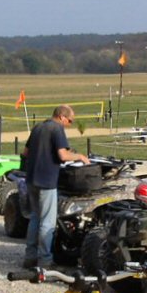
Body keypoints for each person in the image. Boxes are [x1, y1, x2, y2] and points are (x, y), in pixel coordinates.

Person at [21, 105, 90, 268]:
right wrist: (80, 156)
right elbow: (63, 155)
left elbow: (25, 152)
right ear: (61, 117)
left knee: (35, 218)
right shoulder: (57, 129)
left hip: (31, 179)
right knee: (48, 222)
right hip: (46, 182)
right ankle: (45, 261)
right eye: (70, 121)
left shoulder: (38, 127)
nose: (70, 124)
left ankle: (30, 257)